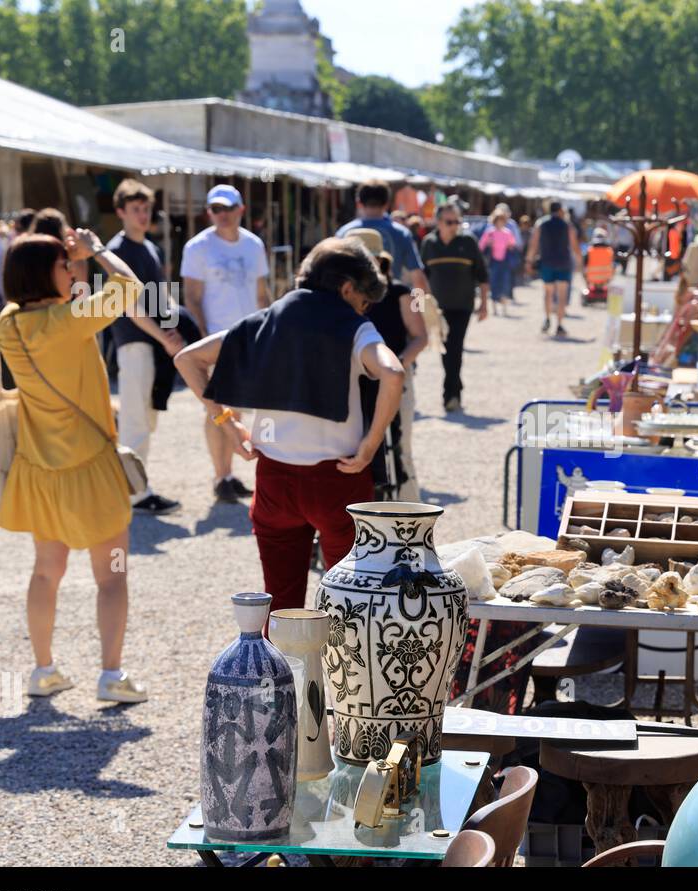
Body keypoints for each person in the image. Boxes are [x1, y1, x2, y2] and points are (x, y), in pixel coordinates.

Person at [175, 237, 405, 613]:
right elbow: (393, 373)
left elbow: (187, 358)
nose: (364, 310)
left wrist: (228, 424)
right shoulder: (354, 327)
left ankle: (284, 672)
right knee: (350, 603)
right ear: (347, 288)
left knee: (281, 605)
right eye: (364, 301)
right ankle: (344, 672)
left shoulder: (267, 319)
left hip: (274, 480)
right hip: (338, 480)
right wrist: (369, 445)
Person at [0, 228, 149, 702]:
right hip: (90, 468)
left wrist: (73, 260)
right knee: (113, 574)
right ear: (48, 273)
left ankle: (43, 670)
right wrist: (98, 250)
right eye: (65, 265)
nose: (72, 271)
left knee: (45, 572)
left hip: (39, 469)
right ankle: (111, 674)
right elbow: (129, 288)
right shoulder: (70, 319)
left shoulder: (8, 323)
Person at [180, 183, 271, 503]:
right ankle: (221, 476)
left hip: (250, 337)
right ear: (209, 212)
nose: (222, 215)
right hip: (216, 339)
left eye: (227, 208)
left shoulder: (253, 244)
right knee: (217, 410)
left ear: (240, 210)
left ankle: (230, 474)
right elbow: (192, 298)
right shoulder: (198, 247)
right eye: (216, 209)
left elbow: (262, 294)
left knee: (240, 409)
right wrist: (205, 340)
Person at [107, 178, 186, 516]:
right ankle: (134, 494)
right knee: (136, 420)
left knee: (145, 416)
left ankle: (131, 488)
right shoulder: (118, 250)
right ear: (121, 211)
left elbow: (161, 298)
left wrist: (174, 330)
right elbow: (128, 306)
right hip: (134, 342)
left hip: (152, 342)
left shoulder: (149, 248)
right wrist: (163, 335)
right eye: (135, 209)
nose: (142, 215)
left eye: (146, 209)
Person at [363, 239, 428, 500]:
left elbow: (421, 336)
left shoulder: (403, 292)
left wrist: (396, 364)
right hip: (358, 381)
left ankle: (411, 514)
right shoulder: (343, 296)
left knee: (401, 449)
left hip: (395, 378)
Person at [420, 202, 489, 412]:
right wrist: (419, 306)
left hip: (462, 307)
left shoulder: (468, 242)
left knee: (455, 347)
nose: (454, 226)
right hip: (437, 309)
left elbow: (482, 275)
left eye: (457, 221)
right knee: (445, 350)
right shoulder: (429, 244)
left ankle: (451, 395)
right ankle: (455, 384)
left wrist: (484, 304)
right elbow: (421, 277)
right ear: (438, 222)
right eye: (450, 222)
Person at [336, 180, 427, 293]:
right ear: (387, 204)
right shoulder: (401, 233)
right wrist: (421, 308)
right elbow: (418, 279)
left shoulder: (343, 233)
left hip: (353, 303)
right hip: (390, 302)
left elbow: (336, 275)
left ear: (359, 203)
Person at [525, 201, 582, 336]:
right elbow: (574, 246)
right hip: (563, 263)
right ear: (560, 210)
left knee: (548, 293)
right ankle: (560, 325)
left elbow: (533, 244)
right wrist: (580, 263)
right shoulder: (567, 225)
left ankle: (547, 319)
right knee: (562, 296)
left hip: (547, 263)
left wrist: (528, 261)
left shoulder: (541, 224)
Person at [479, 205, 519, 316]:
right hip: (493, 262)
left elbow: (513, 245)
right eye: (498, 220)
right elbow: (481, 246)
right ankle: (495, 308)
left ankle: (504, 308)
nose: (500, 223)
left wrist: (509, 246)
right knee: (493, 284)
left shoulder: (507, 233)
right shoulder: (489, 232)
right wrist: (488, 244)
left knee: (505, 284)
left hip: (504, 262)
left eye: (502, 220)